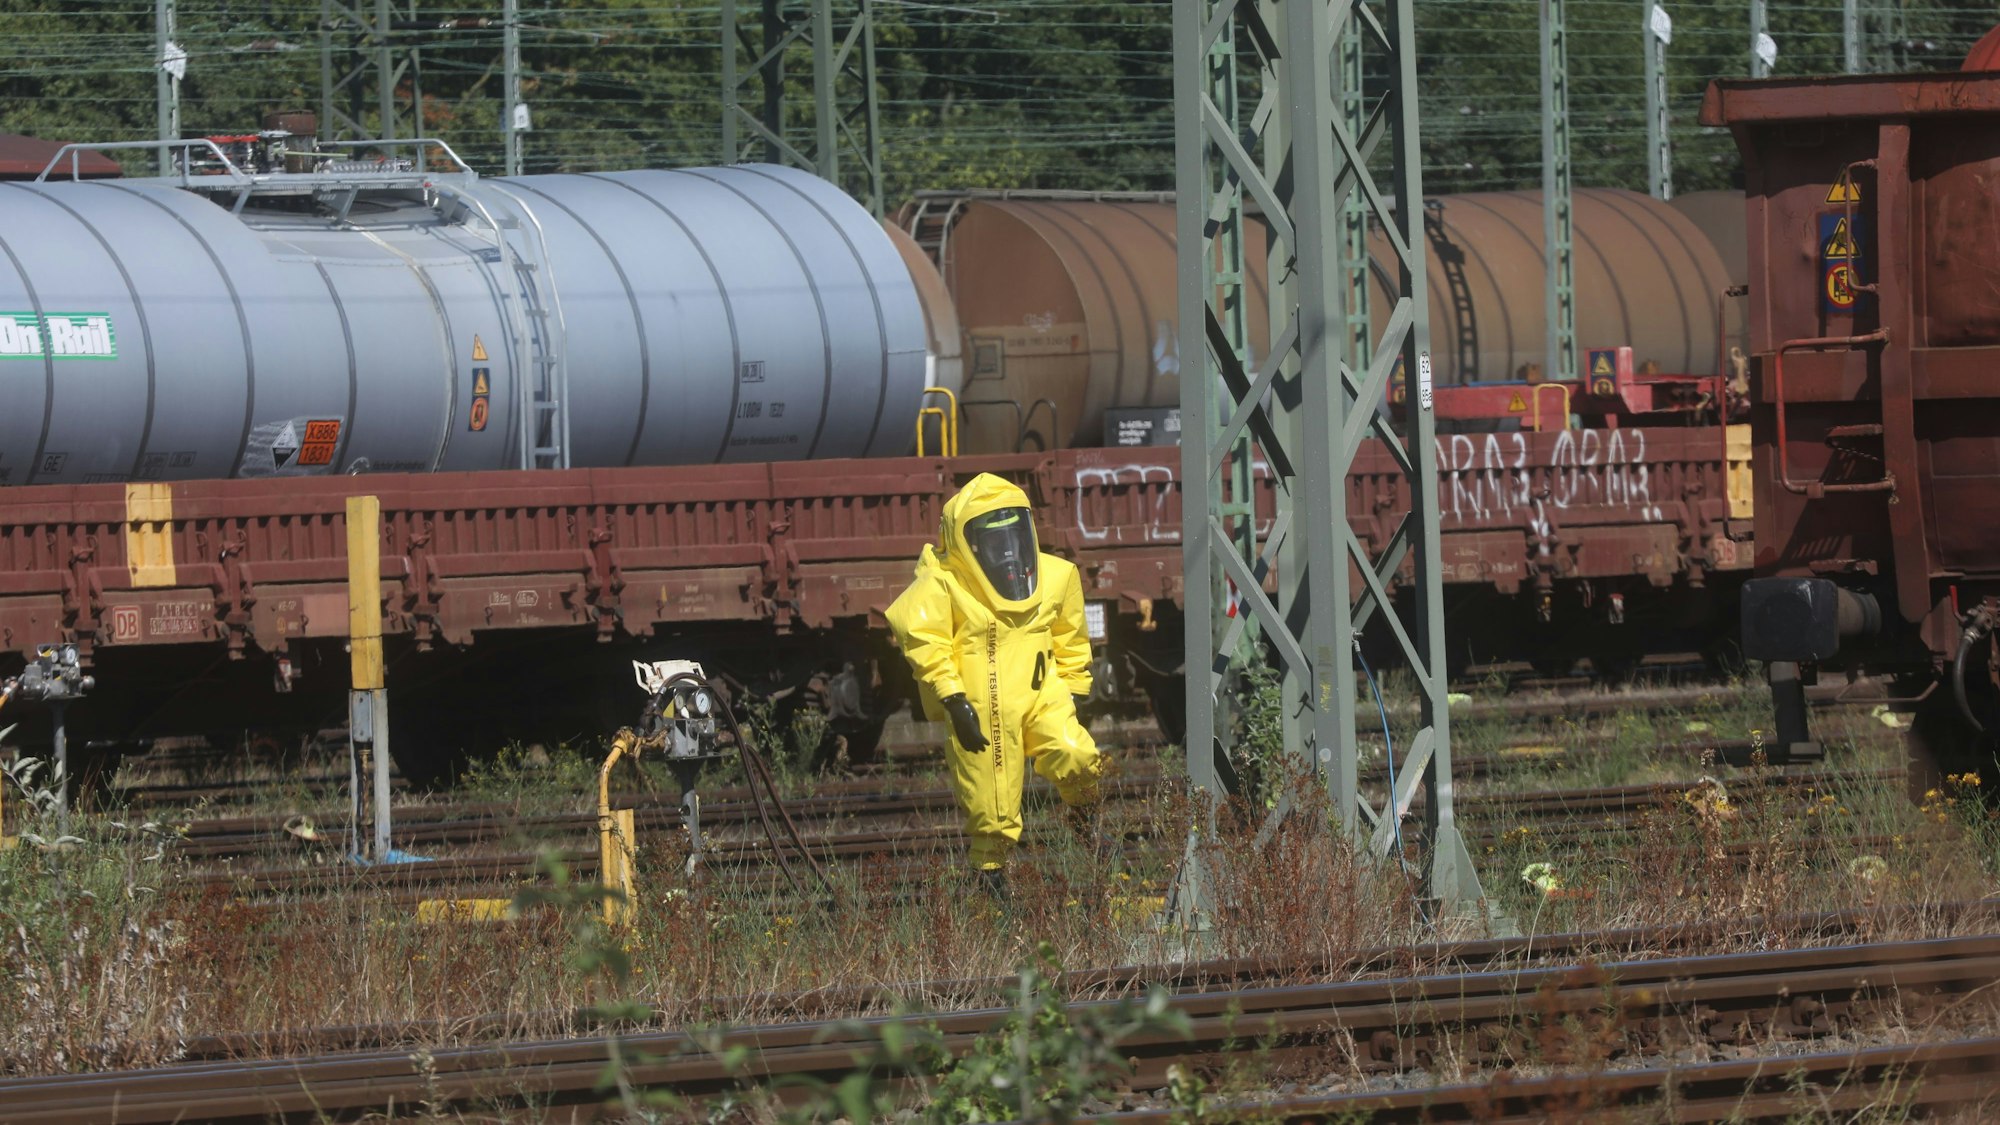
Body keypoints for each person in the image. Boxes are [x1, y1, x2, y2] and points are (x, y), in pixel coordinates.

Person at [885, 473, 1103, 897]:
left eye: (1011, 536)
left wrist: (1075, 686)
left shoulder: (1056, 576)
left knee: (1076, 753)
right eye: (992, 540)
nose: (1005, 550)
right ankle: (989, 877)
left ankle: (1085, 821)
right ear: (965, 544)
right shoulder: (944, 584)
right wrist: (953, 699)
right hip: (981, 706)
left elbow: (1070, 634)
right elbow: (925, 640)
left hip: (1042, 692)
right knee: (992, 796)